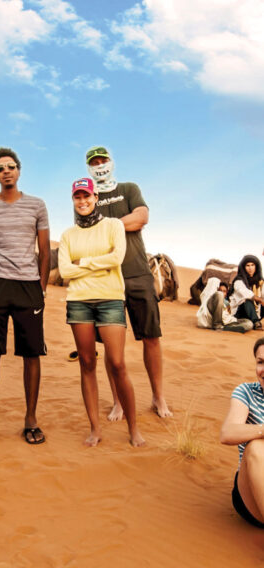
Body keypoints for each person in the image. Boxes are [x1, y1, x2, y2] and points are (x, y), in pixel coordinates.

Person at [0, 147, 50, 446]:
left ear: (19, 170)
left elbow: (44, 251)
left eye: (11, 167)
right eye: (1, 168)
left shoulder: (37, 206)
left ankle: (31, 419)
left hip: (28, 286)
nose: (6, 171)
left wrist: (41, 288)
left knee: (31, 354)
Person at [85, 145, 172, 420]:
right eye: (94, 162)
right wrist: (123, 224)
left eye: (103, 160)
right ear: (89, 167)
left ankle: (158, 397)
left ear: (111, 162)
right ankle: (118, 401)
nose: (100, 165)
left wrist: (110, 226)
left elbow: (142, 217)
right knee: (112, 346)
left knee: (151, 337)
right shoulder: (88, 196)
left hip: (137, 273)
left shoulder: (129, 188)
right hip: (106, 279)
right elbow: (87, 233)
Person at [58, 177, 145, 447]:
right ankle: (95, 429)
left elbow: (116, 258)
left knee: (118, 364)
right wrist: (100, 264)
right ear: (73, 200)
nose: (83, 201)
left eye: (87, 196)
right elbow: (64, 271)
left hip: (109, 299)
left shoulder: (113, 225)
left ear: (96, 197)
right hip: (79, 301)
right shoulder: (67, 235)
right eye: (78, 197)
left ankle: (134, 429)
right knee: (87, 363)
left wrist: (82, 262)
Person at [221, 337, 264, 527]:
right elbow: (227, 433)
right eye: (261, 362)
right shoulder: (246, 392)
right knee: (255, 447)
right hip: (252, 495)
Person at [229, 255, 264, 331]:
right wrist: (260, 300)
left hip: (256, 312)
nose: (250, 268)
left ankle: (255, 320)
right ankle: (256, 323)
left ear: (256, 267)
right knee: (247, 300)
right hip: (239, 313)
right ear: (243, 267)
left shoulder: (260, 281)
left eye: (252, 265)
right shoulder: (238, 280)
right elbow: (245, 293)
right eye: (247, 265)